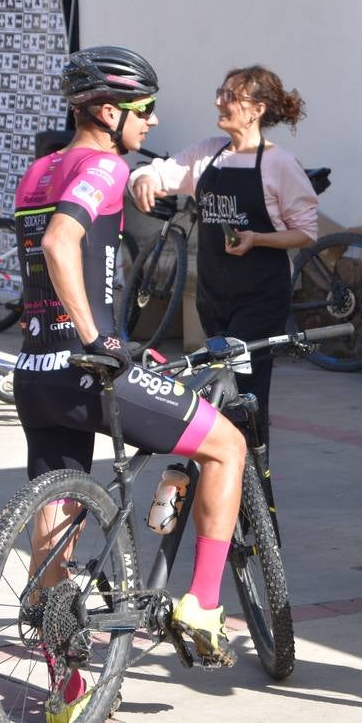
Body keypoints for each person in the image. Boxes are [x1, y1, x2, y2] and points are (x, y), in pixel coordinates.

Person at [13, 47, 249, 723]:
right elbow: (64, 245)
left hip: (36, 371)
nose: (150, 122)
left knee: (53, 527)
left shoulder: (38, 169)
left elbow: (49, 254)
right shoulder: (105, 165)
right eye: (145, 111)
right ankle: (204, 605)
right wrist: (97, 338)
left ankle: (67, 690)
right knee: (225, 446)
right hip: (91, 371)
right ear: (111, 112)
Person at [131, 66, 319, 446]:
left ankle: (252, 489)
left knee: (242, 393)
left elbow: (306, 232)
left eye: (231, 95)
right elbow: (160, 172)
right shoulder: (206, 154)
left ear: (256, 109)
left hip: (261, 298)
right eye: (221, 91)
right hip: (214, 297)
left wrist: (257, 239)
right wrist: (144, 180)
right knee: (220, 390)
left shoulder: (279, 163)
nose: (220, 101)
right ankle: (231, 485)